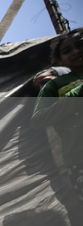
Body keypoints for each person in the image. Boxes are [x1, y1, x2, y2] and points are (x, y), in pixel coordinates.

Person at [31, 28, 83, 207]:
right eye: (67, 50)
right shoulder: (56, 86)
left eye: (80, 45)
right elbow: (38, 120)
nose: (76, 51)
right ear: (59, 60)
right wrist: (78, 93)